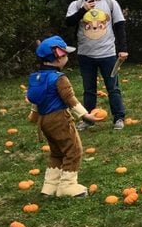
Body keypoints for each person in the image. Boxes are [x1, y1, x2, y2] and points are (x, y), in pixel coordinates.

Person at [26, 36, 97, 197]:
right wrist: (85, 115)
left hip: (44, 121)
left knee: (57, 152)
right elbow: (70, 100)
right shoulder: (59, 79)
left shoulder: (37, 77)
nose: (67, 57)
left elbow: (37, 100)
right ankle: (67, 186)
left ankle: (49, 186)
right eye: (65, 55)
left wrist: (34, 115)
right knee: (74, 149)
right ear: (57, 58)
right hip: (59, 119)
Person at [65, 0, 128, 131]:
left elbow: (119, 27)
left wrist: (122, 49)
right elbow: (68, 23)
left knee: (113, 87)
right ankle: (88, 119)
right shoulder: (75, 5)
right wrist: (83, 10)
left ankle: (119, 117)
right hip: (85, 55)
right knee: (89, 89)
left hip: (107, 54)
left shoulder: (110, 3)